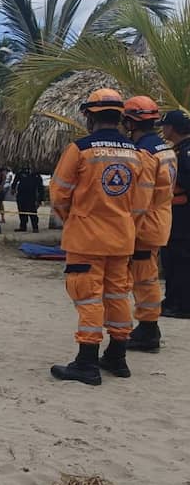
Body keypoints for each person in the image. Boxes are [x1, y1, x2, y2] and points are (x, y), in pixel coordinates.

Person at [49, 89, 153, 385]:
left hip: (86, 239)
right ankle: (117, 356)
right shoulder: (138, 154)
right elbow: (142, 202)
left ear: (89, 116)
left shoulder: (80, 149)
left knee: (88, 297)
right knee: (119, 294)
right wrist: (126, 225)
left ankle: (86, 363)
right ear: (121, 116)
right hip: (122, 239)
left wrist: (74, 220)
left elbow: (59, 194)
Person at [120, 97, 176, 349]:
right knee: (148, 275)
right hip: (160, 219)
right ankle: (148, 326)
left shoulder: (143, 154)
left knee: (144, 278)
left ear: (130, 121)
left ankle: (148, 329)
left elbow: (140, 199)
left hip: (145, 224)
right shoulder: (164, 149)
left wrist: (128, 228)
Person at [157, 109, 190, 319]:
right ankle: (173, 299)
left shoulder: (185, 153)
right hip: (177, 214)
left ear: (173, 128)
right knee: (172, 260)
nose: (163, 129)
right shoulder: (179, 150)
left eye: (165, 126)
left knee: (180, 261)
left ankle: (182, 304)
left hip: (183, 216)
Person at [12, 166, 44, 232]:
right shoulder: (21, 172)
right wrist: (13, 189)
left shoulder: (36, 175)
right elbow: (15, 181)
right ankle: (23, 226)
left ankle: (35, 227)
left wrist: (40, 199)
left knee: (32, 212)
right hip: (21, 196)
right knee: (22, 211)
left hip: (31, 197)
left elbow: (40, 188)